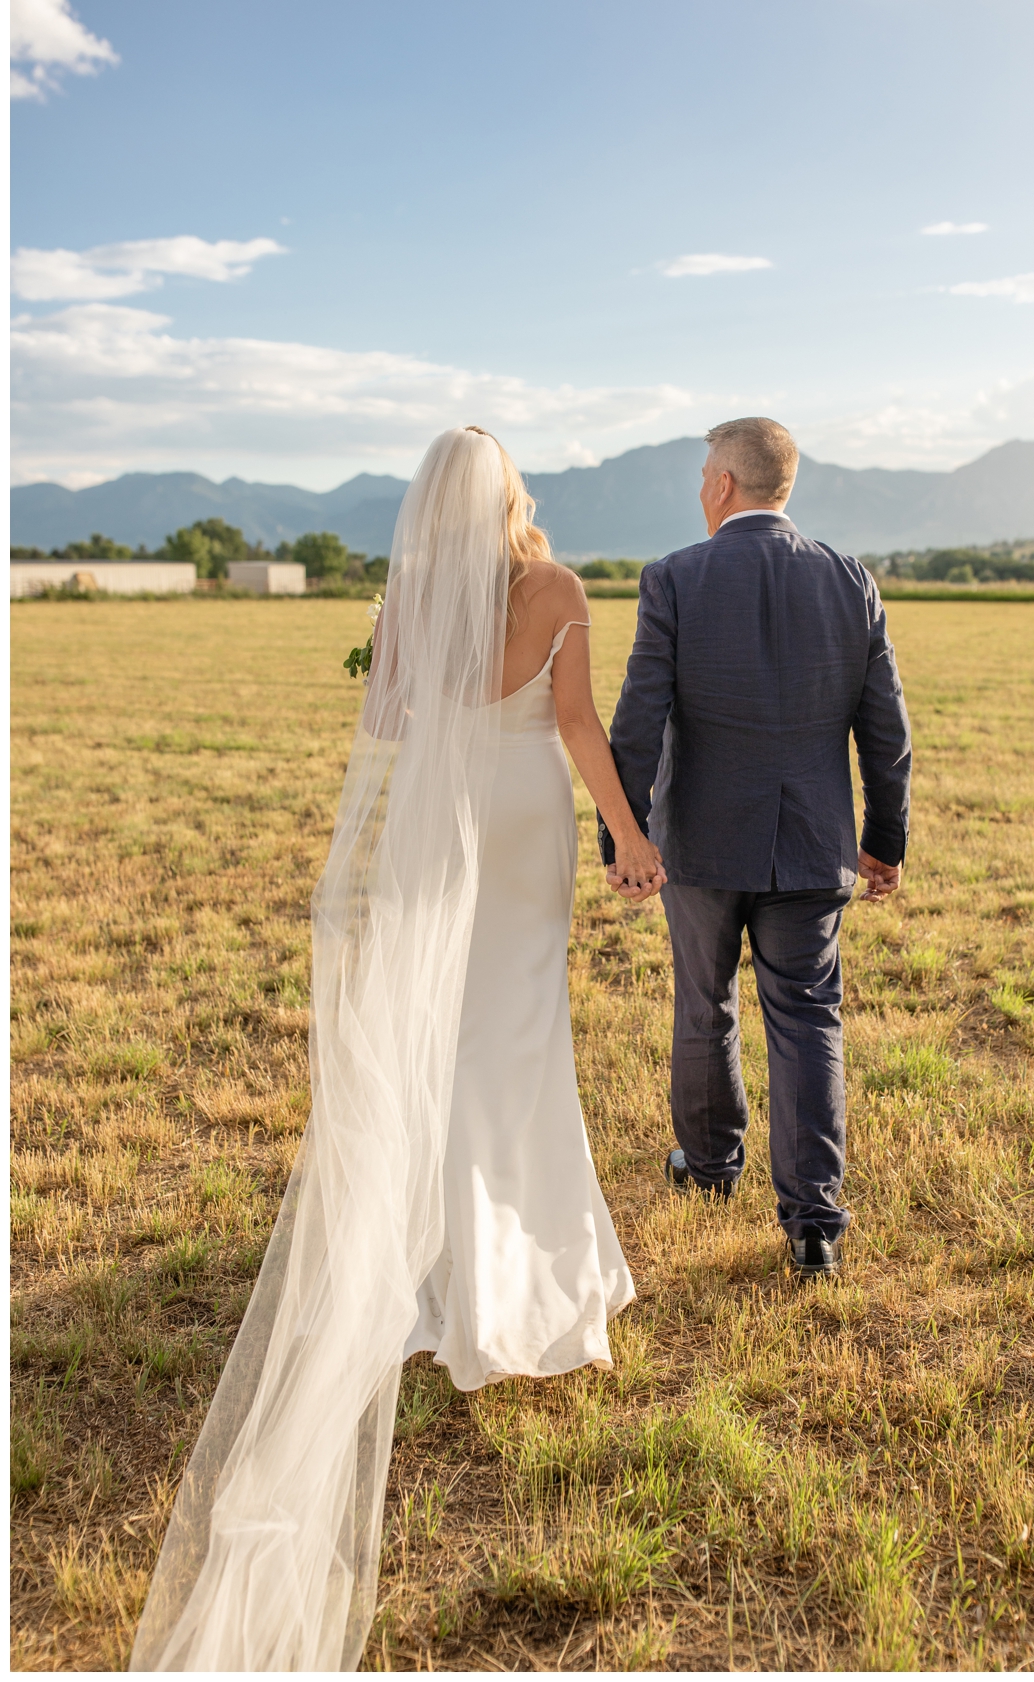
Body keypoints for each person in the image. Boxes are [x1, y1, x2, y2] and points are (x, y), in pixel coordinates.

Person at [132, 427, 658, 1669]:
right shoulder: (559, 591)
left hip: (442, 825)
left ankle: (428, 1272)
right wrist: (628, 838)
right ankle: (517, 1267)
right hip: (526, 818)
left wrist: (410, 676)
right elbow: (577, 724)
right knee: (520, 1039)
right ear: (516, 498)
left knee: (438, 1037)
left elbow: (383, 722)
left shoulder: (410, 595)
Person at [600, 416, 912, 1280]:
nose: (702, 486)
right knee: (809, 1018)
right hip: (814, 845)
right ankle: (815, 1222)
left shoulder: (674, 578)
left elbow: (637, 723)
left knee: (705, 1005)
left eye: (706, 473)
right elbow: (886, 731)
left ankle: (709, 1169)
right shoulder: (851, 581)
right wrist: (883, 839)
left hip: (697, 843)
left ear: (726, 485)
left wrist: (622, 834)